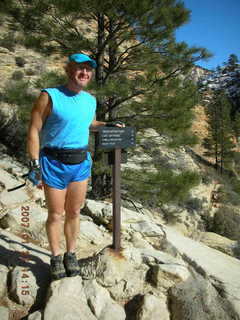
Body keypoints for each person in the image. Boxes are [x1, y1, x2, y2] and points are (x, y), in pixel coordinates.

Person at [27, 53, 124, 280]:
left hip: (80, 163)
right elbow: (33, 129)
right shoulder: (49, 96)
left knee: (74, 212)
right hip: (53, 163)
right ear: (69, 70)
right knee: (56, 214)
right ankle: (56, 256)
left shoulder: (89, 100)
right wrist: (33, 163)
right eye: (80, 68)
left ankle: (71, 253)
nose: (85, 73)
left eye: (88, 70)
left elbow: (88, 123)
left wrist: (106, 124)